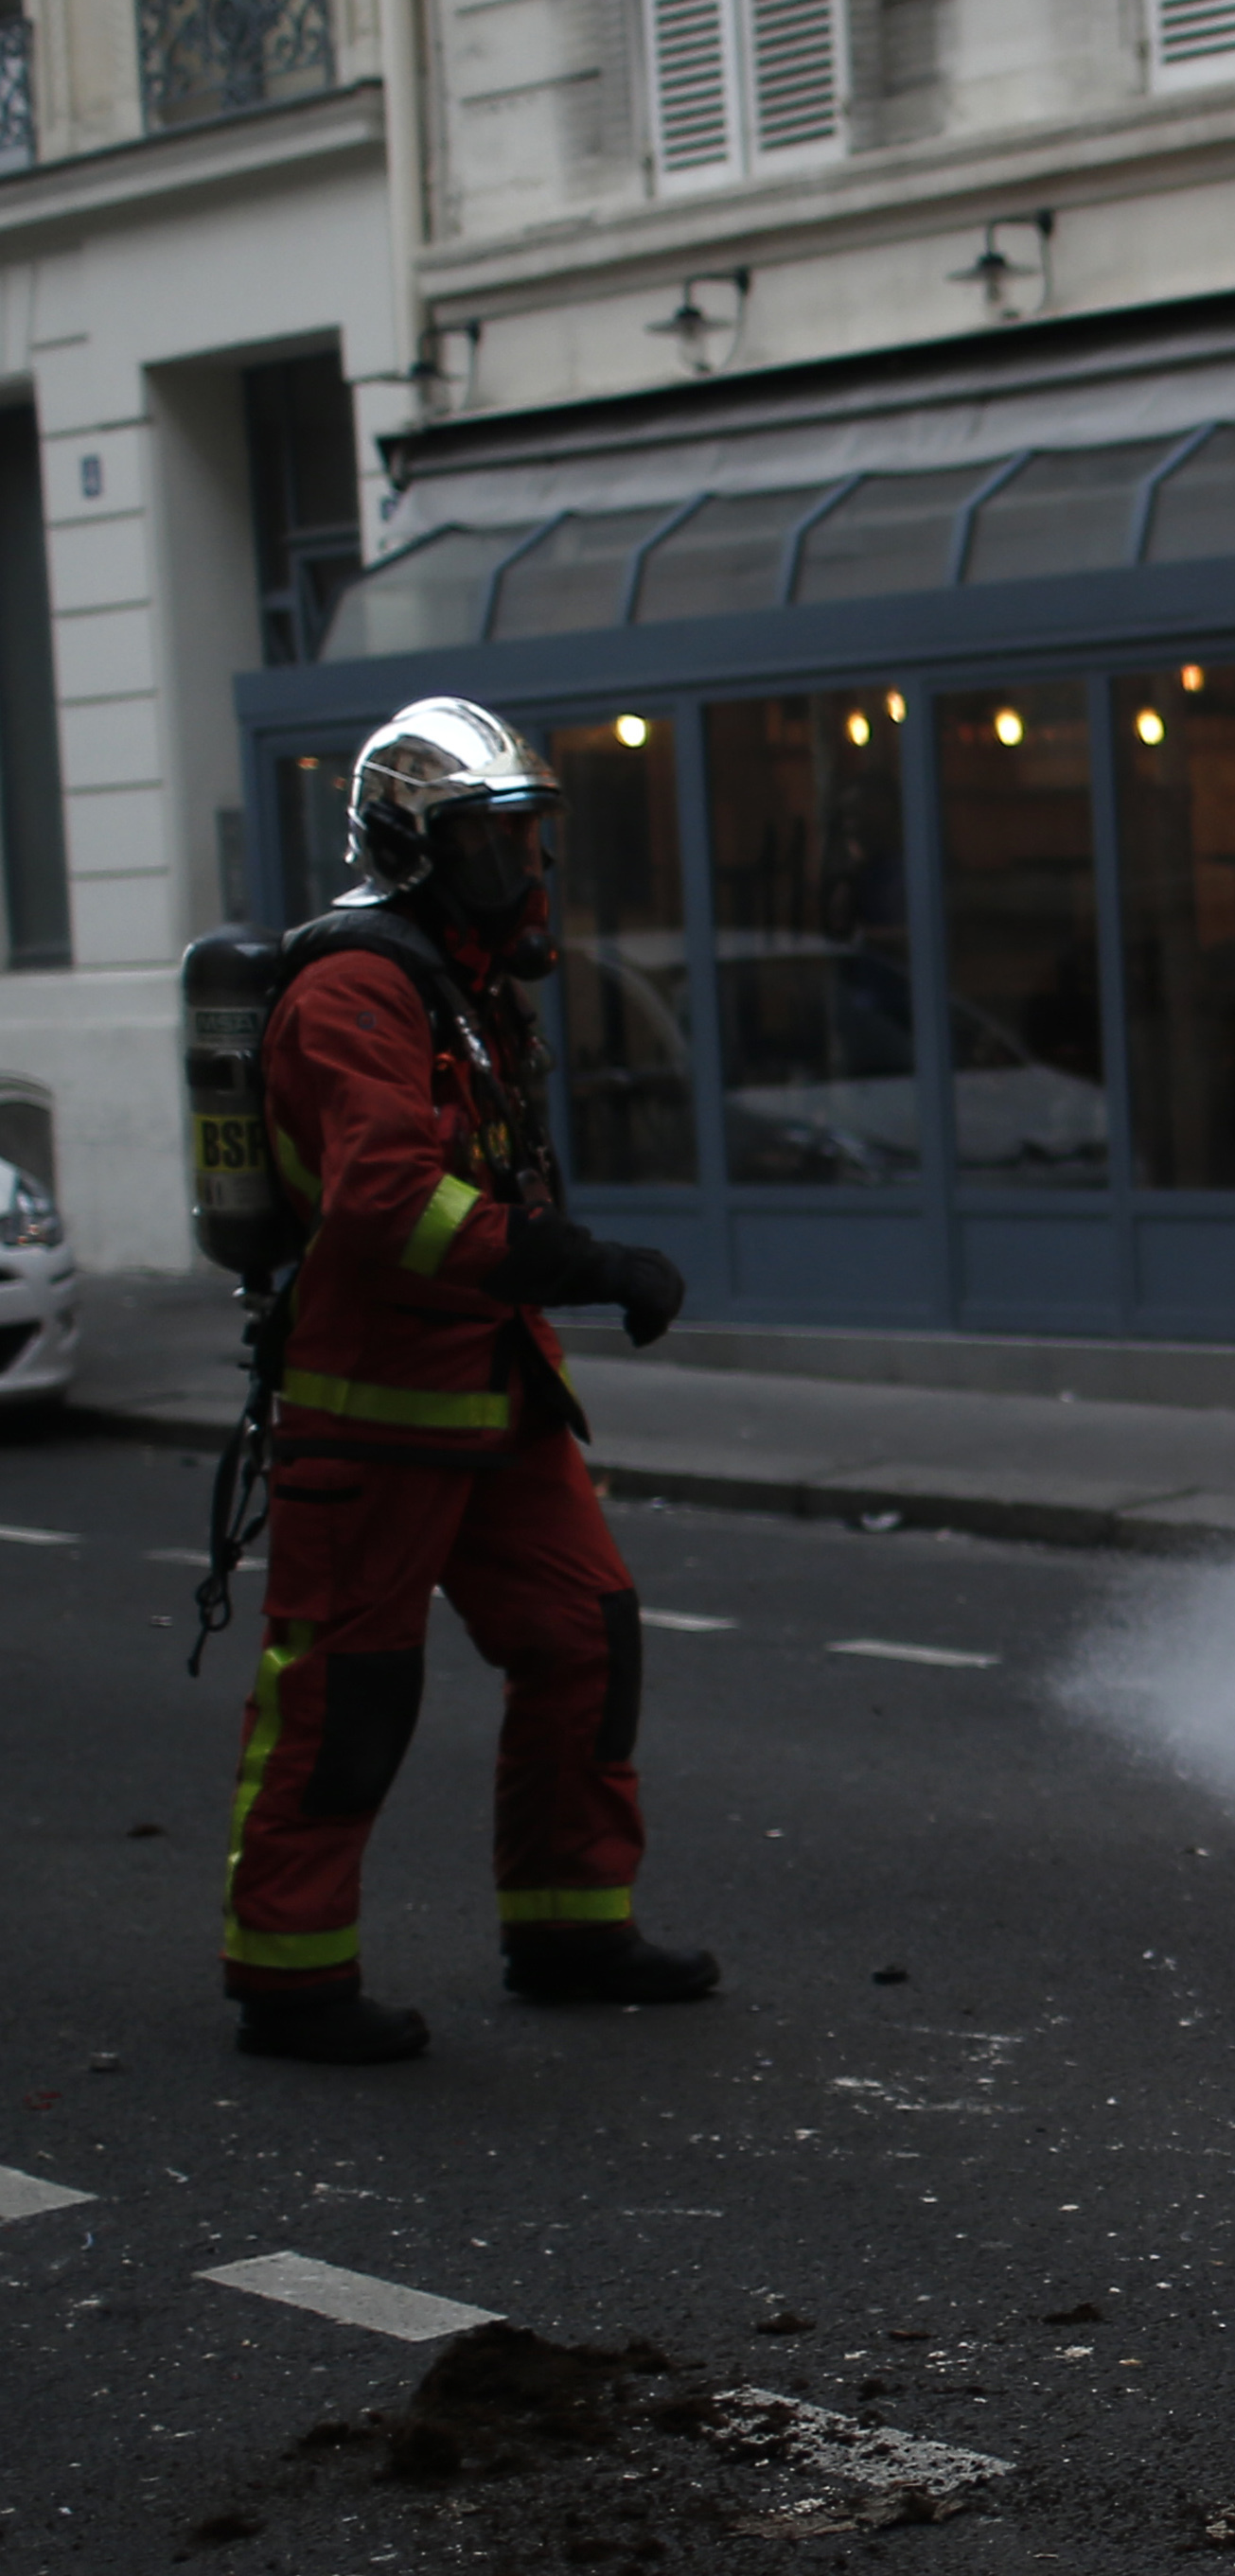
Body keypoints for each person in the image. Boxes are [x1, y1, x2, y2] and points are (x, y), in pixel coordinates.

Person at [218, 698, 711, 2064]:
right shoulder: (355, 988)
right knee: (346, 1692)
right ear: (413, 850)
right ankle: (289, 1974)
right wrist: (578, 1260)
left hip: (493, 1397)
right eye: (500, 848)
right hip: (376, 1413)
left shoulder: (460, 987)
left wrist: (561, 1272)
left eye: (534, 844)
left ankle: (568, 1926)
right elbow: (386, 1201)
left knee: (583, 1638)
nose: (531, 876)